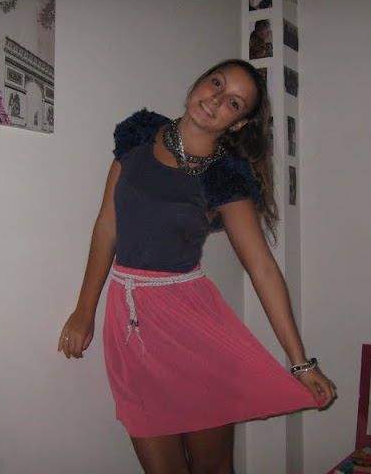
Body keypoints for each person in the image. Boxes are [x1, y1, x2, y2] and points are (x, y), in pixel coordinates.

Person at [58, 59, 336, 474]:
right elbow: (107, 226)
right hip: (131, 326)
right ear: (200, 82)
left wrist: (300, 363)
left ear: (238, 124)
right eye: (216, 83)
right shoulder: (137, 136)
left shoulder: (226, 177)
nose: (216, 100)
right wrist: (85, 311)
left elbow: (262, 268)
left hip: (191, 328)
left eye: (234, 103)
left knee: (212, 468)